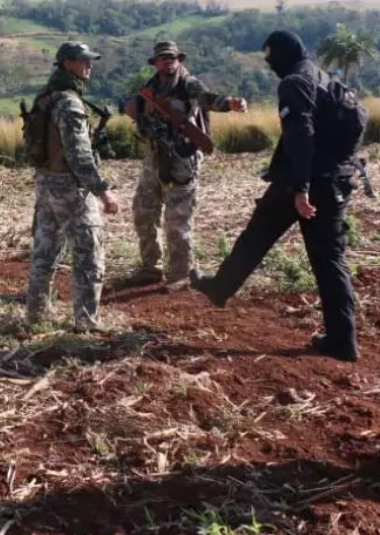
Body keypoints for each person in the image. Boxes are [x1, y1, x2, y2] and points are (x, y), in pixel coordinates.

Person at [191, 29, 363, 362]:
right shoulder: (323, 78)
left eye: (270, 57)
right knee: (328, 258)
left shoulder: (294, 82)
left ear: (281, 54)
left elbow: (301, 135)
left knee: (260, 233)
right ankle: (343, 340)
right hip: (334, 179)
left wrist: (301, 188)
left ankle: (220, 287)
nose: (269, 65)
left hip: (303, 181)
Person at [121, 41, 248, 286]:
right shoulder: (150, 87)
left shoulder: (188, 84)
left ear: (179, 60)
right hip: (154, 157)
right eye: (162, 58)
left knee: (177, 220)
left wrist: (231, 103)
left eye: (171, 57)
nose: (167, 61)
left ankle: (180, 274)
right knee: (143, 212)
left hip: (182, 158)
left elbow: (209, 99)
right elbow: (133, 106)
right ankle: (151, 268)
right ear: (155, 62)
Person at [25, 41, 120, 332]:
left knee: (44, 254)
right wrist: (103, 192)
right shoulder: (69, 103)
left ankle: (36, 317)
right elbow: (79, 154)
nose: (89, 65)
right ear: (67, 64)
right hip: (70, 189)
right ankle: (86, 324)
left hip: (45, 185)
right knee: (89, 256)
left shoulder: (47, 96)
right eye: (83, 61)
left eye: (89, 60)